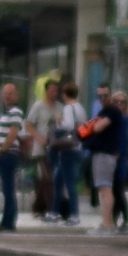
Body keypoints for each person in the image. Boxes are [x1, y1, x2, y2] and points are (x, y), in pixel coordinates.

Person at [83, 87, 124, 232]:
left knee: (105, 188)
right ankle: (106, 221)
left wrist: (90, 125)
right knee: (102, 188)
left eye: (105, 95)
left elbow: (98, 127)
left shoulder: (112, 111)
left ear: (110, 95)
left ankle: (108, 222)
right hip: (100, 153)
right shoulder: (103, 112)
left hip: (106, 154)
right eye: (99, 96)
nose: (102, 98)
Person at [0, 82, 27, 232]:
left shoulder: (16, 111)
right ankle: (6, 219)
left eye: (10, 93)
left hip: (8, 154)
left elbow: (13, 132)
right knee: (6, 189)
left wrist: (3, 149)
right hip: (4, 154)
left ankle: (8, 221)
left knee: (8, 188)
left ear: (16, 95)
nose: (6, 96)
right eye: (5, 93)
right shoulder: (6, 112)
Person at [26, 77, 63, 218]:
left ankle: (38, 208)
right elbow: (29, 124)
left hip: (55, 148)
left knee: (47, 179)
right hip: (41, 149)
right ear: (46, 91)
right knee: (46, 178)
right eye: (52, 90)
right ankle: (49, 208)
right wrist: (39, 138)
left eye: (56, 90)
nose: (54, 92)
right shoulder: (38, 106)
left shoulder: (60, 107)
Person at [50, 82, 85, 224]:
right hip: (78, 146)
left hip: (67, 149)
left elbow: (68, 125)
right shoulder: (80, 108)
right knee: (58, 180)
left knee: (69, 182)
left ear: (65, 95)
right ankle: (54, 212)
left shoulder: (68, 108)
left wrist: (59, 121)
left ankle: (74, 214)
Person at [109, 91, 128, 232]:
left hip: (119, 158)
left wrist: (116, 154)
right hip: (114, 157)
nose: (119, 104)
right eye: (116, 102)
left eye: (122, 102)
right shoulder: (115, 118)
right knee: (115, 190)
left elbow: (122, 140)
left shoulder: (123, 119)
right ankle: (115, 218)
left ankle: (125, 220)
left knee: (118, 190)